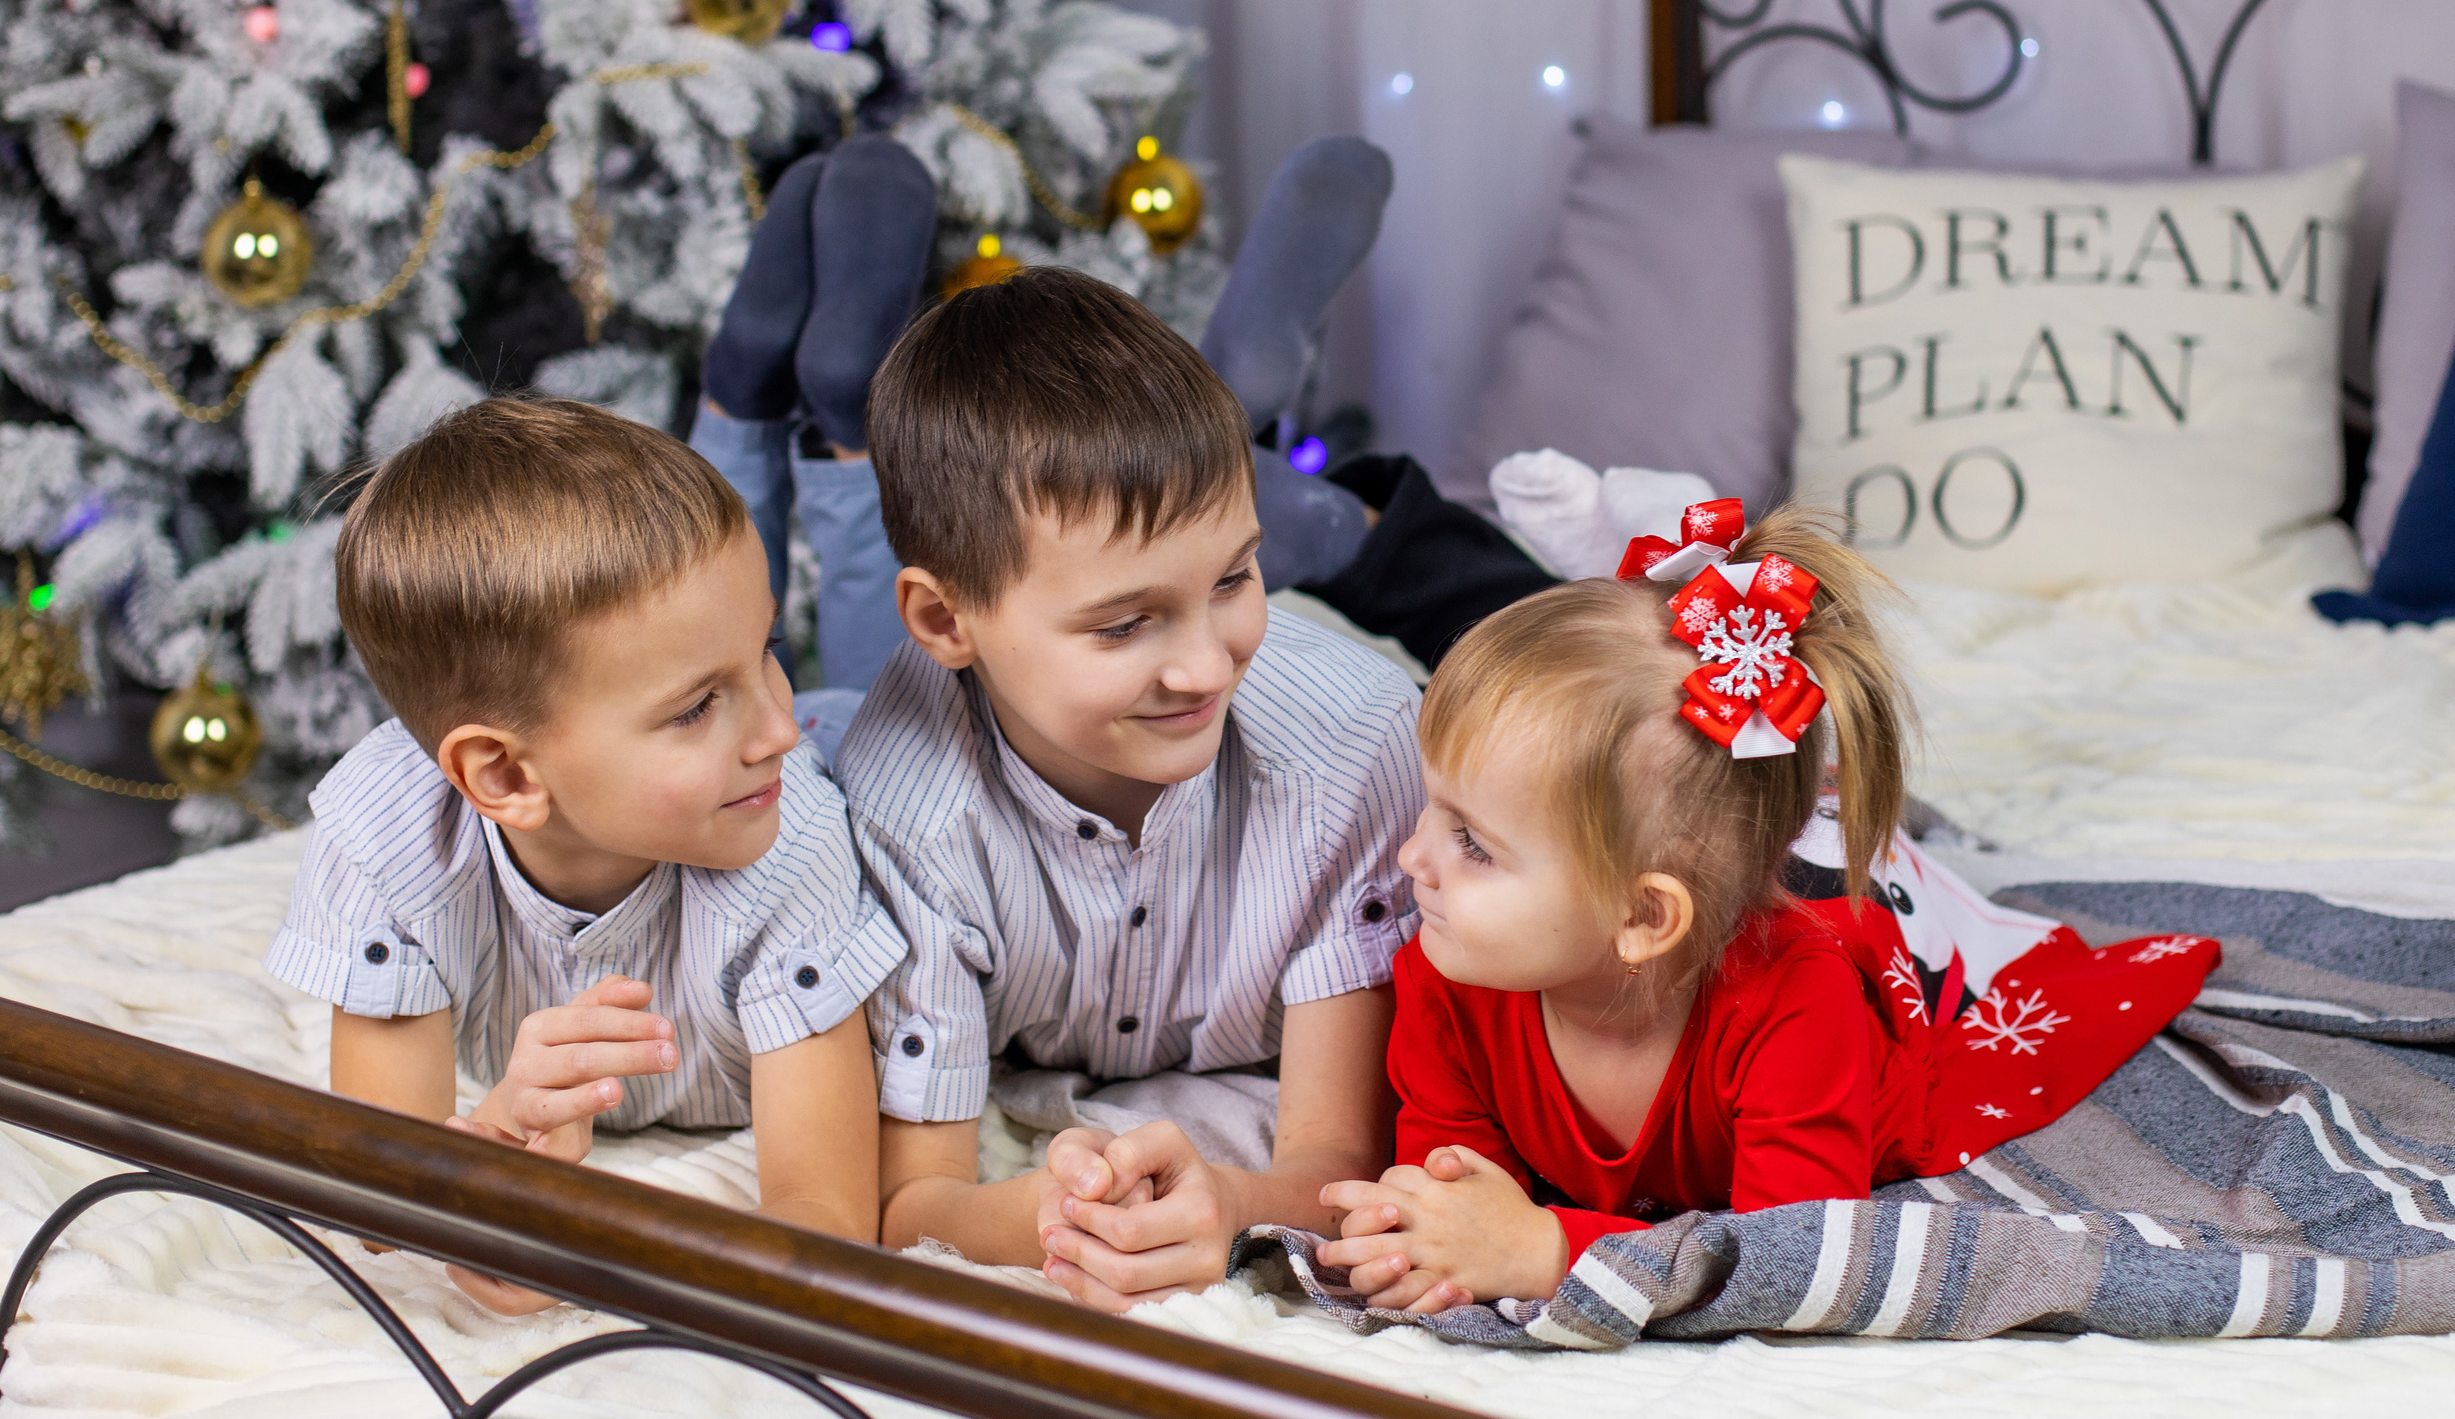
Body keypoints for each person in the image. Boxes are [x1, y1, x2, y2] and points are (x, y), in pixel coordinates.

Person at [1312, 503, 2222, 1313]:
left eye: (1472, 841)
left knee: (1906, 919)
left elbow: (1797, 1259)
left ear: (1641, 917)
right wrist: (1416, 1241)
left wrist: (1548, 1249)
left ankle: (1872, 838)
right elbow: (1453, 1197)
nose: (1411, 857)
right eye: (1433, 808)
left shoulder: (1796, 1009)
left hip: (1862, 967)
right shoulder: (1445, 974)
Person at [836, 266, 1426, 1311]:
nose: (1204, 665)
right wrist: (1047, 1216)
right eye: (1122, 623)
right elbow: (913, 1200)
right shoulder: (904, 809)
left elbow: (1342, 1157)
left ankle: (1338, 527)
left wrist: (1232, 1197)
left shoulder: (1356, 751)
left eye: (1234, 579)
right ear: (943, 622)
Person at [265, 398, 905, 1313]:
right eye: (694, 707)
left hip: (864, 750)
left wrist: (608, 1252)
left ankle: (775, 402)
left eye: (768, 648)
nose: (774, 729)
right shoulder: (384, 839)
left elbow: (829, 1220)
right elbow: (383, 1194)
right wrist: (503, 1168)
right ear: (503, 773)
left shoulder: (788, 822)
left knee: (897, 686)